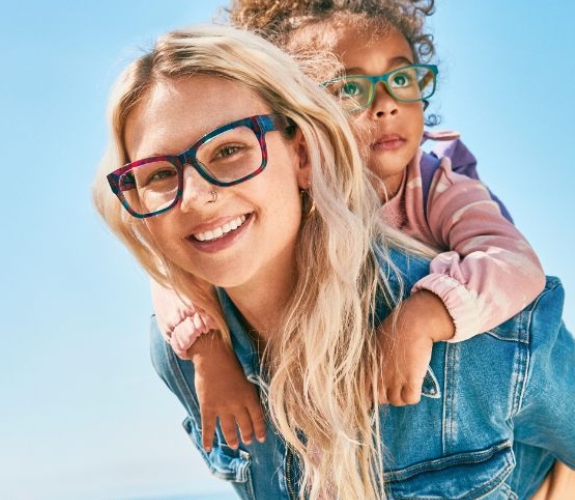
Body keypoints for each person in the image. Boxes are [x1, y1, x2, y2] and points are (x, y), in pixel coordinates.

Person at [93, 24, 575, 500]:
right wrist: (205, 349)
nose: (195, 197)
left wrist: (424, 315)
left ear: (305, 154)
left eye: (229, 151)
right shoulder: (185, 354)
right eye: (159, 175)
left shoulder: (472, 329)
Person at [151, 0, 544, 452]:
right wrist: (208, 353)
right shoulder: (282, 194)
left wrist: (424, 316)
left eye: (401, 79)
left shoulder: (437, 185)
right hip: (307, 395)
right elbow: (172, 266)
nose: (385, 106)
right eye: (349, 90)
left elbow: (515, 262)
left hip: (436, 405)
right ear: (295, 114)